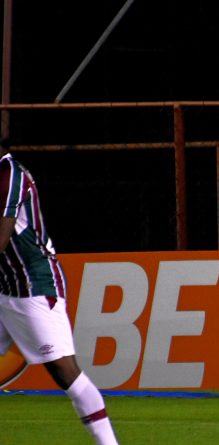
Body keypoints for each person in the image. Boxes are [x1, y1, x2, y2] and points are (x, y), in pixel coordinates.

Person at [0, 139, 119, 444]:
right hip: (5, 287)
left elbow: (4, 230)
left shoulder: (10, 174)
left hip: (34, 286)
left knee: (65, 372)